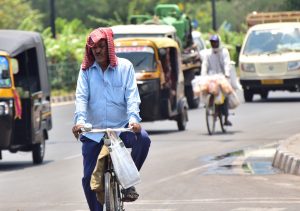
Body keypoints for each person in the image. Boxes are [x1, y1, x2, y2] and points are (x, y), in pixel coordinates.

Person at [72, 27, 151, 211]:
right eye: (94, 47)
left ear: (109, 46)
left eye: (101, 46)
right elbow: (81, 98)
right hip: (95, 133)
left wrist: (133, 121)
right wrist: (80, 122)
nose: (97, 50)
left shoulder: (125, 67)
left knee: (144, 140)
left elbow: (132, 97)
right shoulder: (86, 71)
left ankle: (128, 180)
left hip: (121, 129)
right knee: (87, 179)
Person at [201, 34, 232, 126]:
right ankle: (210, 107)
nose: (214, 44)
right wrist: (203, 76)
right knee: (206, 91)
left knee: (225, 95)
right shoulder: (207, 53)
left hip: (222, 77)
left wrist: (227, 74)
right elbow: (204, 65)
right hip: (211, 77)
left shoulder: (224, 52)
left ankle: (226, 117)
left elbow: (227, 64)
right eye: (212, 42)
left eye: (215, 42)